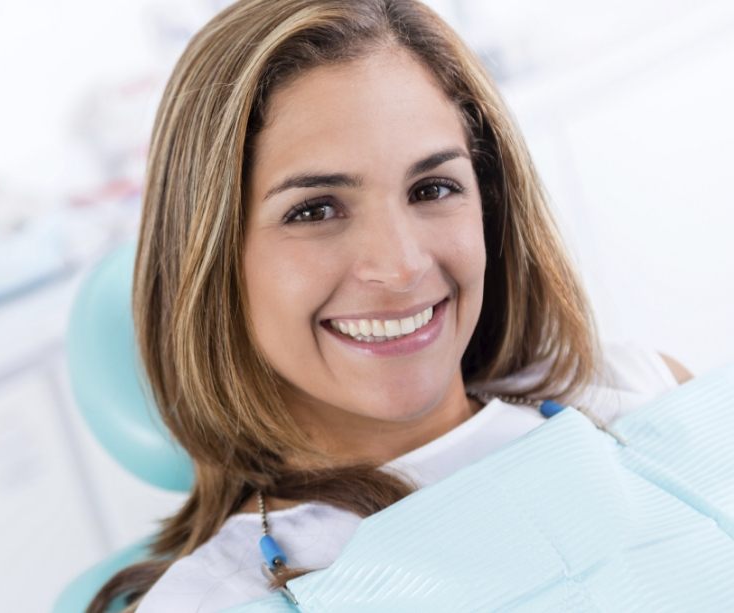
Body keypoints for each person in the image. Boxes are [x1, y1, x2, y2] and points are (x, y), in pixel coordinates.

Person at [87, 0, 695, 611]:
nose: (402, 266)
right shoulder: (215, 601)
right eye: (315, 209)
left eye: (433, 189)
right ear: (214, 260)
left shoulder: (640, 392)